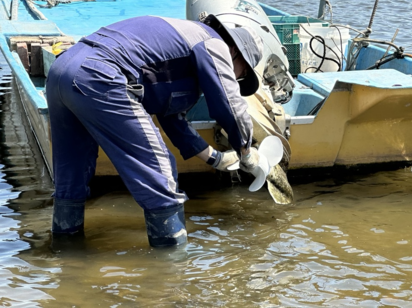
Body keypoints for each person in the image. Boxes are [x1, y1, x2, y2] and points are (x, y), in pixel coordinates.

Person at [47, 14, 264, 247]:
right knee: (160, 173)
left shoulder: (180, 47)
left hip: (62, 70)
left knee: (72, 172)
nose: (238, 78)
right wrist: (246, 150)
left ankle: (65, 250)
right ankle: (174, 265)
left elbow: (172, 117)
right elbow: (229, 103)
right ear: (235, 52)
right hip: (100, 74)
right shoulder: (213, 43)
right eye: (242, 73)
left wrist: (216, 158)